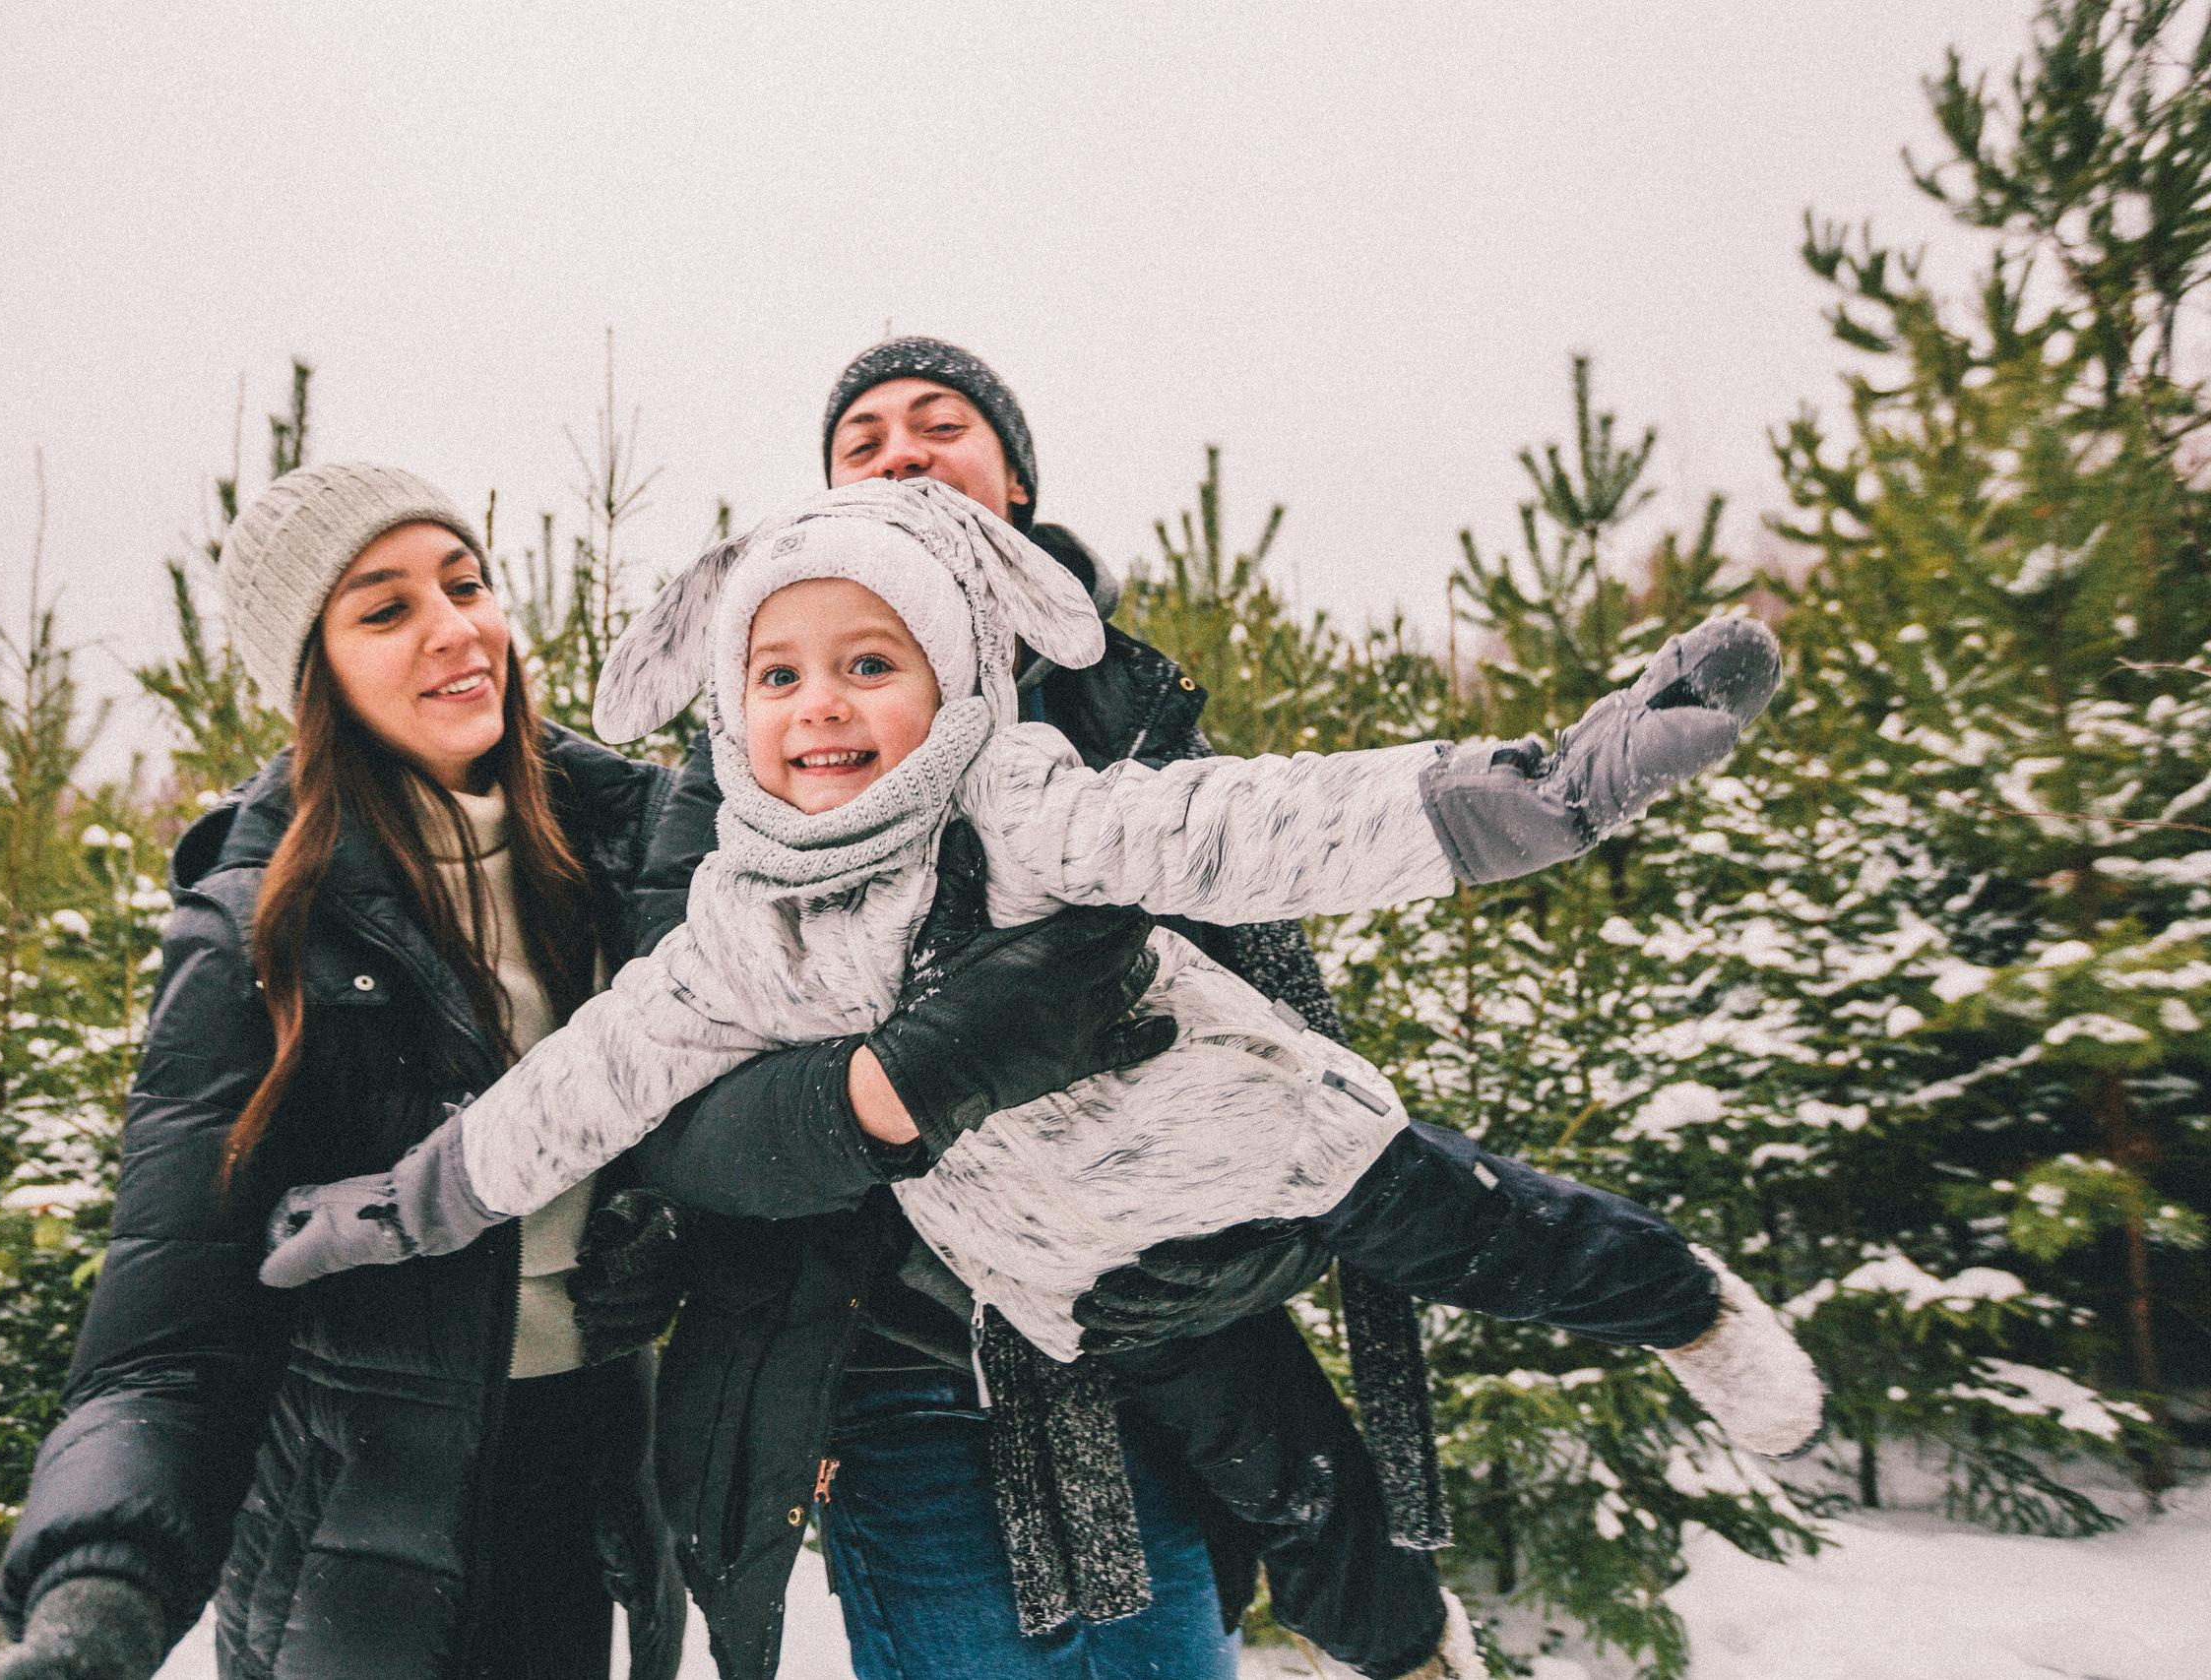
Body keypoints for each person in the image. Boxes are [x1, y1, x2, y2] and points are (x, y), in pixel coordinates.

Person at [264, 481, 1819, 1669]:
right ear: (728, 709)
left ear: (958, 666)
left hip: (1273, 1145)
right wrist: (400, 1208)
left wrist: (1545, 793)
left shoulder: (1031, 806)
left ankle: (1682, 1302)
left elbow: (1257, 822)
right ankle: (1415, 1649)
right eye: (782, 675)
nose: (823, 706)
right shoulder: (737, 927)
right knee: (1287, 1473)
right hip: (1062, 1274)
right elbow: (582, 1091)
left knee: (1505, 1234)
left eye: (871, 662)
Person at [0, 465, 704, 1680]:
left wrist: (675, 1228)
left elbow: (735, 1114)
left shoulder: (634, 853)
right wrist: (97, 1594)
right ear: (316, 672)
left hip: (584, 1504)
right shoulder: (263, 927)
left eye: (464, 583)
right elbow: (171, 1329)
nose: (454, 628)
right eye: (385, 610)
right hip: (354, 1543)